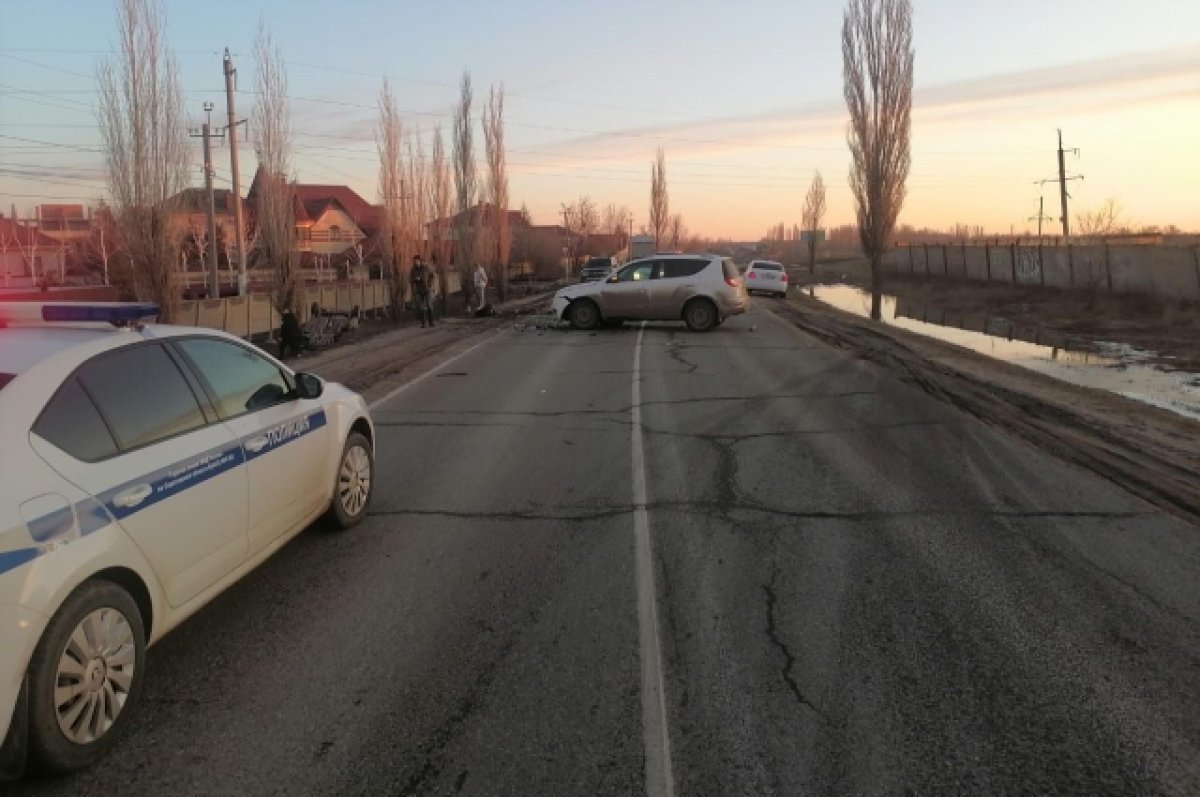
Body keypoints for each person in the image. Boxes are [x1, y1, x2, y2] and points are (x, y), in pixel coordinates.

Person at [410, 254, 435, 327]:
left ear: (420, 261)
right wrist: (415, 279)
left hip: (427, 289)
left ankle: (431, 322)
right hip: (420, 290)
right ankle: (423, 323)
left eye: (417, 261)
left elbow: (432, 275)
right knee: (422, 307)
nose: (416, 262)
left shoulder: (425, 268)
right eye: (414, 261)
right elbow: (410, 279)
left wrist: (430, 284)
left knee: (430, 306)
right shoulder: (413, 270)